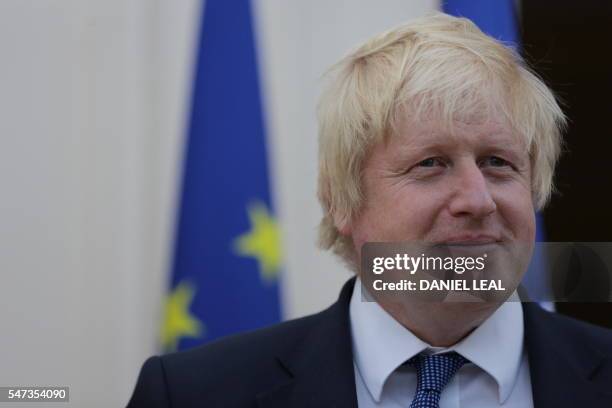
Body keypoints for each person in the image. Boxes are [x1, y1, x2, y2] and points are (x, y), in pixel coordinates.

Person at [128, 13, 612, 407]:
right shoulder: (193, 394)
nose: (478, 199)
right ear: (342, 200)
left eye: (498, 163)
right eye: (431, 164)